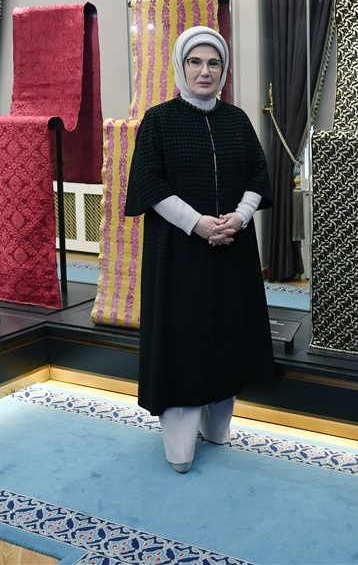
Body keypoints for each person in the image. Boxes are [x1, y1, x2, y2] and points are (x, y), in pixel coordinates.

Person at [124, 26, 274, 473]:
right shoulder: (159, 120)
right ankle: (180, 446)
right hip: (179, 254)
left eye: (213, 63)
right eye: (195, 62)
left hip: (231, 252)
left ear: (223, 70)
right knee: (183, 340)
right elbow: (149, 183)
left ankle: (218, 427)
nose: (204, 71)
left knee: (227, 335)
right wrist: (198, 223)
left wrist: (239, 217)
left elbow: (258, 175)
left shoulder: (237, 120)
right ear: (180, 65)